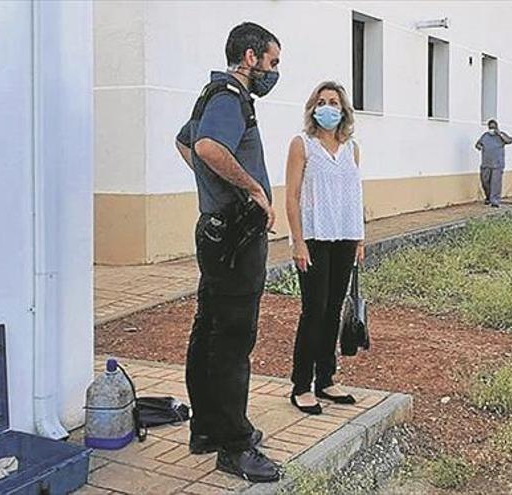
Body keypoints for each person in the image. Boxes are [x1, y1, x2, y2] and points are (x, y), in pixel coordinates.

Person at [174, 22, 281, 483]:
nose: (274, 72)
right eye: (272, 62)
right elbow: (205, 146)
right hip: (235, 239)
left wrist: (212, 184)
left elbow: (183, 142)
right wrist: (253, 189)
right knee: (234, 339)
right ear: (251, 57)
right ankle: (235, 447)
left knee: (210, 331)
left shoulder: (211, 94)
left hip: (217, 233)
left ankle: (207, 429)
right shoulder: (229, 97)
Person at [285, 81, 365, 415]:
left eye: (333, 101)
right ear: (313, 108)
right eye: (321, 101)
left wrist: (359, 237)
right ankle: (301, 385)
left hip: (345, 237)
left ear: (343, 109)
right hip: (314, 239)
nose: (327, 107)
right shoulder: (302, 144)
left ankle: (326, 380)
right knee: (313, 311)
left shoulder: (351, 148)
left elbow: (354, 193)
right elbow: (291, 196)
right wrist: (298, 242)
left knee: (333, 310)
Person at [475, 119, 512, 207]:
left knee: (495, 183)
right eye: (490, 127)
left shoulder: (501, 135)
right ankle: (488, 197)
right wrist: (479, 146)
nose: (491, 129)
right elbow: (478, 144)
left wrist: (499, 134)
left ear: (496, 127)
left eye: (493, 127)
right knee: (485, 182)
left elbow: (509, 140)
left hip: (497, 164)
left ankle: (495, 201)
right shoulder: (485, 136)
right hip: (486, 163)